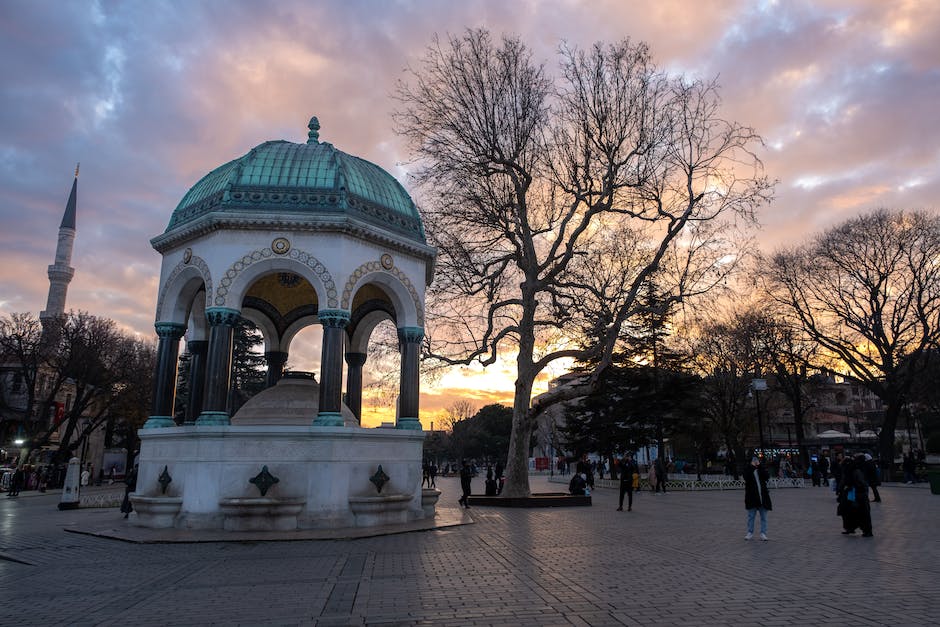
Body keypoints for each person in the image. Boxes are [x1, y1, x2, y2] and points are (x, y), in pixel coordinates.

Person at [838, 455, 873, 537]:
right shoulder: (855, 470)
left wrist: (845, 488)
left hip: (855, 494)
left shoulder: (853, 470)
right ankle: (854, 528)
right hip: (856, 493)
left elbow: (859, 483)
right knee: (855, 513)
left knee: (856, 512)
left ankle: (860, 529)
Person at [744, 456, 772, 540]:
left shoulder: (761, 469)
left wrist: (759, 466)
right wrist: (752, 466)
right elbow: (746, 477)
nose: (755, 462)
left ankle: (763, 533)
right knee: (751, 516)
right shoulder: (748, 469)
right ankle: (750, 532)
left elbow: (767, 476)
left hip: (762, 497)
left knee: (764, 517)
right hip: (752, 498)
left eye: (756, 460)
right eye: (754, 461)